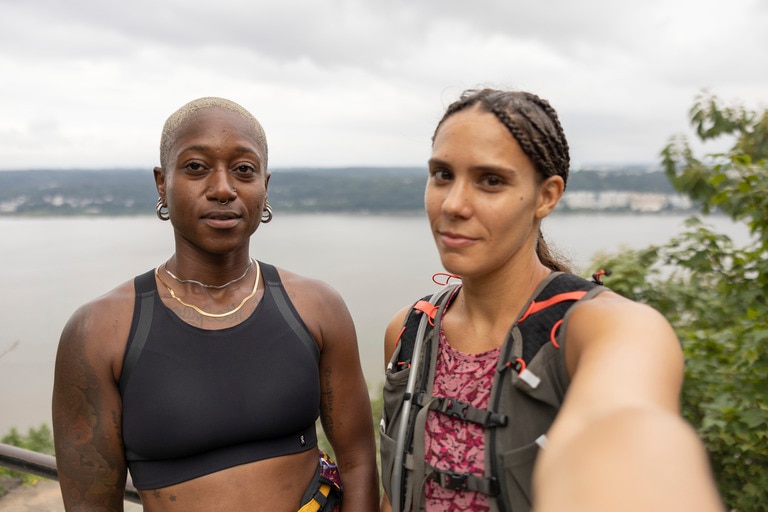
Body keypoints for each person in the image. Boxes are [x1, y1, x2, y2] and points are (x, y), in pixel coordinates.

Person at [379, 88, 724, 512]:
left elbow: (626, 422)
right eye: (443, 175)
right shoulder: (410, 331)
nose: (453, 204)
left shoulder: (602, 329)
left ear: (547, 195)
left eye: (491, 181)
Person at [52, 97, 379, 511]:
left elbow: (358, 461)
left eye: (244, 170)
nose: (223, 189)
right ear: (161, 183)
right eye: (195, 167)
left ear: (265, 185)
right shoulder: (98, 332)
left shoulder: (317, 308)